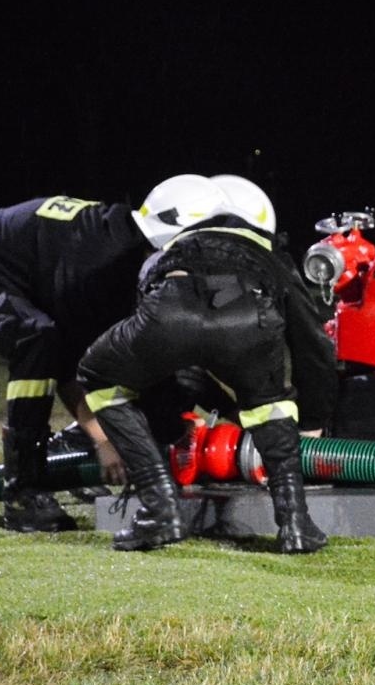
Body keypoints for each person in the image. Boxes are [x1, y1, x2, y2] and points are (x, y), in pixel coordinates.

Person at [78, 173, 338, 554]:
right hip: (248, 316)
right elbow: (313, 344)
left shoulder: (165, 253)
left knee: (97, 377)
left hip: (171, 309)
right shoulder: (273, 256)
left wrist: (168, 425)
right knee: (269, 405)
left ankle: (159, 509)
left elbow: (157, 366)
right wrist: (313, 419)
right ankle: (296, 525)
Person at [0, 193, 149, 531]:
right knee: (37, 338)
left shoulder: (116, 239)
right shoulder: (95, 266)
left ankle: (72, 447)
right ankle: (22, 492)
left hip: (17, 277)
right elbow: (70, 370)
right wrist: (105, 440)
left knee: (54, 340)